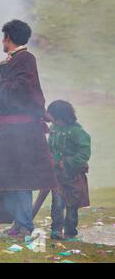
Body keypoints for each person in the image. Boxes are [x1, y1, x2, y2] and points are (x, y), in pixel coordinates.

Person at [0, 19, 57, 237]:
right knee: (11, 178)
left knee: (22, 179)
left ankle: (25, 225)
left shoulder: (25, 59)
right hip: (13, 132)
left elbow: (17, 91)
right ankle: (18, 223)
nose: (2, 41)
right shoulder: (15, 60)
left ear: (8, 38)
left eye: (3, 37)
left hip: (22, 132)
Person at [47, 100, 91, 240]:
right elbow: (50, 147)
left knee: (72, 206)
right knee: (57, 204)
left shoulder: (78, 132)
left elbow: (84, 153)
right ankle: (56, 231)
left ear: (61, 116)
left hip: (73, 176)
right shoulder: (53, 129)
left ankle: (70, 232)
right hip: (57, 176)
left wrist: (66, 162)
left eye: (53, 115)